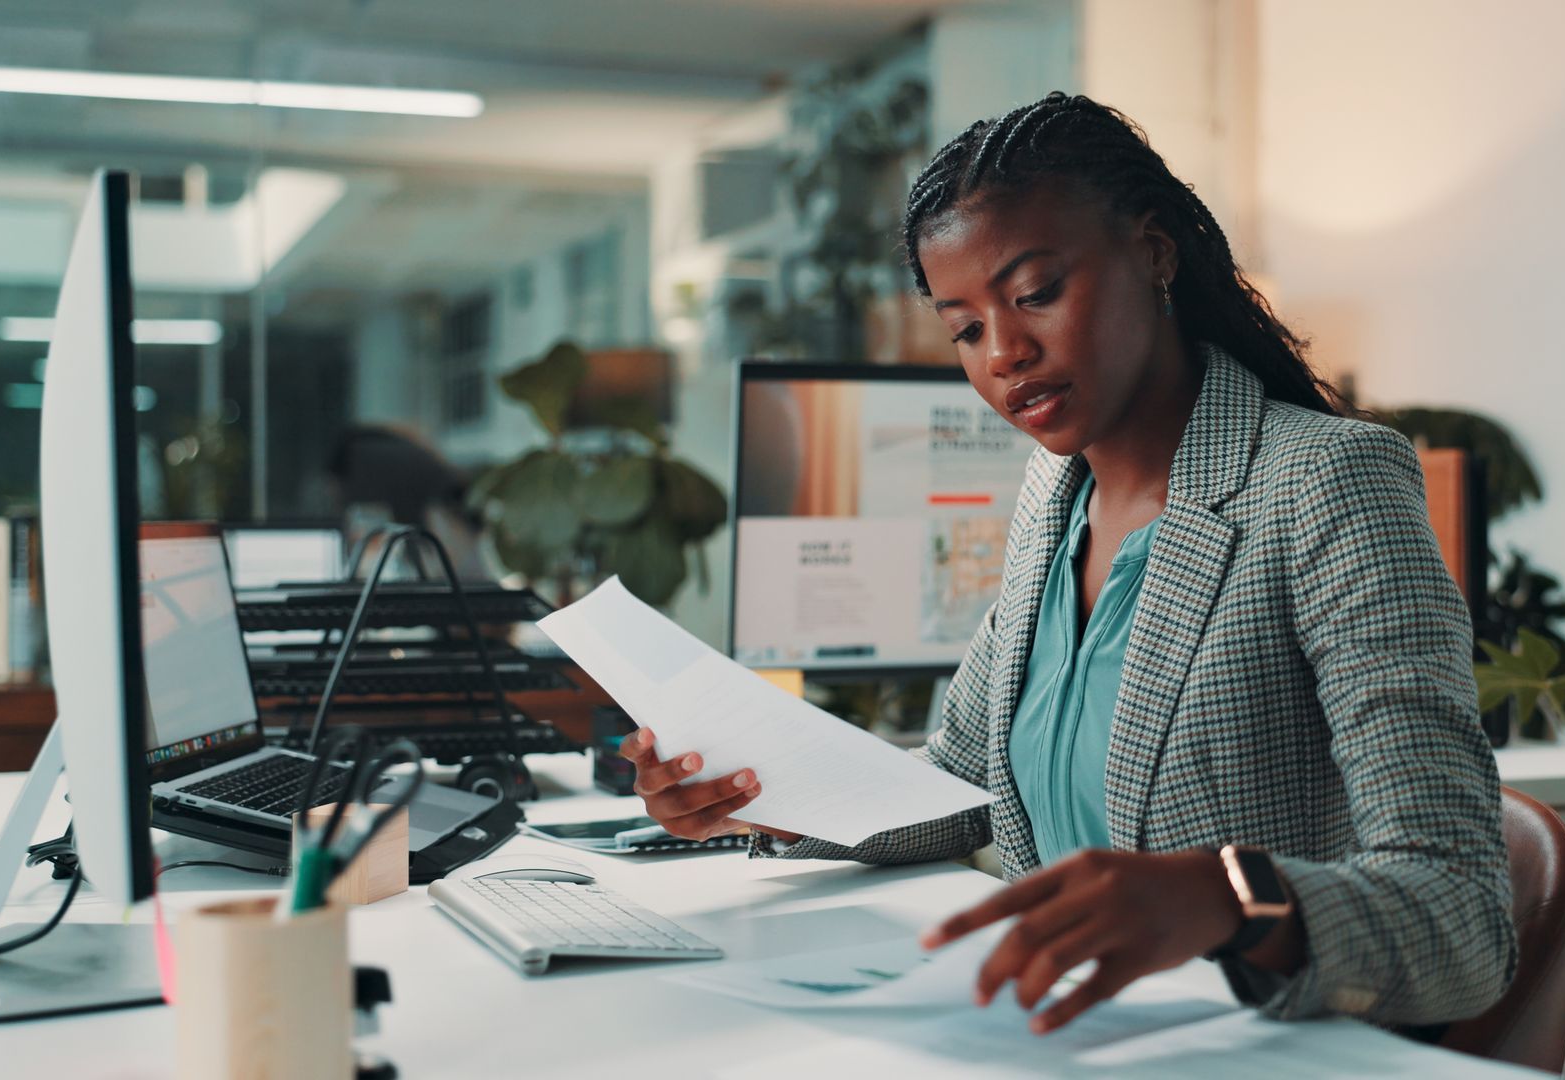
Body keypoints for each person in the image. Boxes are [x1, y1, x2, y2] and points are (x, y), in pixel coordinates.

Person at [619, 92, 1516, 1036]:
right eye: (964, 328)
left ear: (1155, 253)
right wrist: (765, 798)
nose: (1004, 353)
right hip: (1060, 1037)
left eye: (1036, 293)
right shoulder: (1054, 501)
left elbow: (1460, 915)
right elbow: (964, 788)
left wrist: (1227, 900)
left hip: (1256, 1048)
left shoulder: (1326, 482)